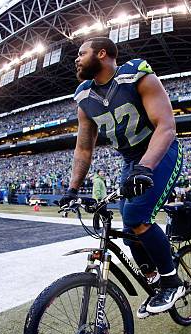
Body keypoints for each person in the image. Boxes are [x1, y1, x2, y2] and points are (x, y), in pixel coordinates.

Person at [59, 37, 184, 317]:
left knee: (137, 216)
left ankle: (172, 282)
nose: (76, 59)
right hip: (130, 160)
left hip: (159, 152)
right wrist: (72, 188)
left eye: (82, 53)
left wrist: (145, 167)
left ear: (102, 54)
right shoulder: (84, 97)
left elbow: (166, 126)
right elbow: (83, 147)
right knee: (129, 230)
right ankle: (155, 271)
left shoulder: (136, 74)